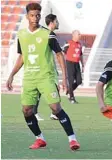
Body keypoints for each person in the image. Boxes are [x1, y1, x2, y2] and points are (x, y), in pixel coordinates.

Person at [5, 3, 80, 150]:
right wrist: (11, 75)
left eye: (38, 15)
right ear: (27, 16)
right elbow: (22, 56)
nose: (35, 18)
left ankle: (72, 139)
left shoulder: (48, 34)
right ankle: (39, 139)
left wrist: (64, 78)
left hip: (46, 76)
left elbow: (59, 55)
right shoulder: (22, 34)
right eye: (32, 15)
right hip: (29, 78)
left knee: (55, 108)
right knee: (26, 110)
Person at [33, 13, 60, 121]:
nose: (58, 23)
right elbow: (59, 53)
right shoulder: (48, 34)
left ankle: (54, 113)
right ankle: (35, 113)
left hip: (47, 67)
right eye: (56, 21)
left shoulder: (45, 33)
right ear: (52, 22)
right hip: (44, 68)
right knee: (43, 90)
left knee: (55, 88)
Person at [63, 30, 84, 104]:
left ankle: (69, 91)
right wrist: (64, 64)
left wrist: (83, 64)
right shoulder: (68, 43)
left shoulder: (79, 44)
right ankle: (71, 97)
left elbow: (80, 55)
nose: (80, 35)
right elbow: (63, 53)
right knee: (71, 81)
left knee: (79, 81)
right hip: (70, 63)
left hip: (77, 64)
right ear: (74, 35)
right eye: (78, 34)